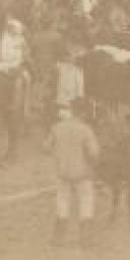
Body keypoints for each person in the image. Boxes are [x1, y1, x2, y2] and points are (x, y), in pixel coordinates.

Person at [45, 100, 100, 247]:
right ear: (83, 113)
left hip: (63, 172)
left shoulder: (57, 127)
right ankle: (85, 237)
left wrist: (59, 154)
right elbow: (94, 153)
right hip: (83, 173)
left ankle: (58, 237)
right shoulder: (86, 130)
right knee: (86, 200)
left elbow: (46, 146)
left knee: (62, 200)